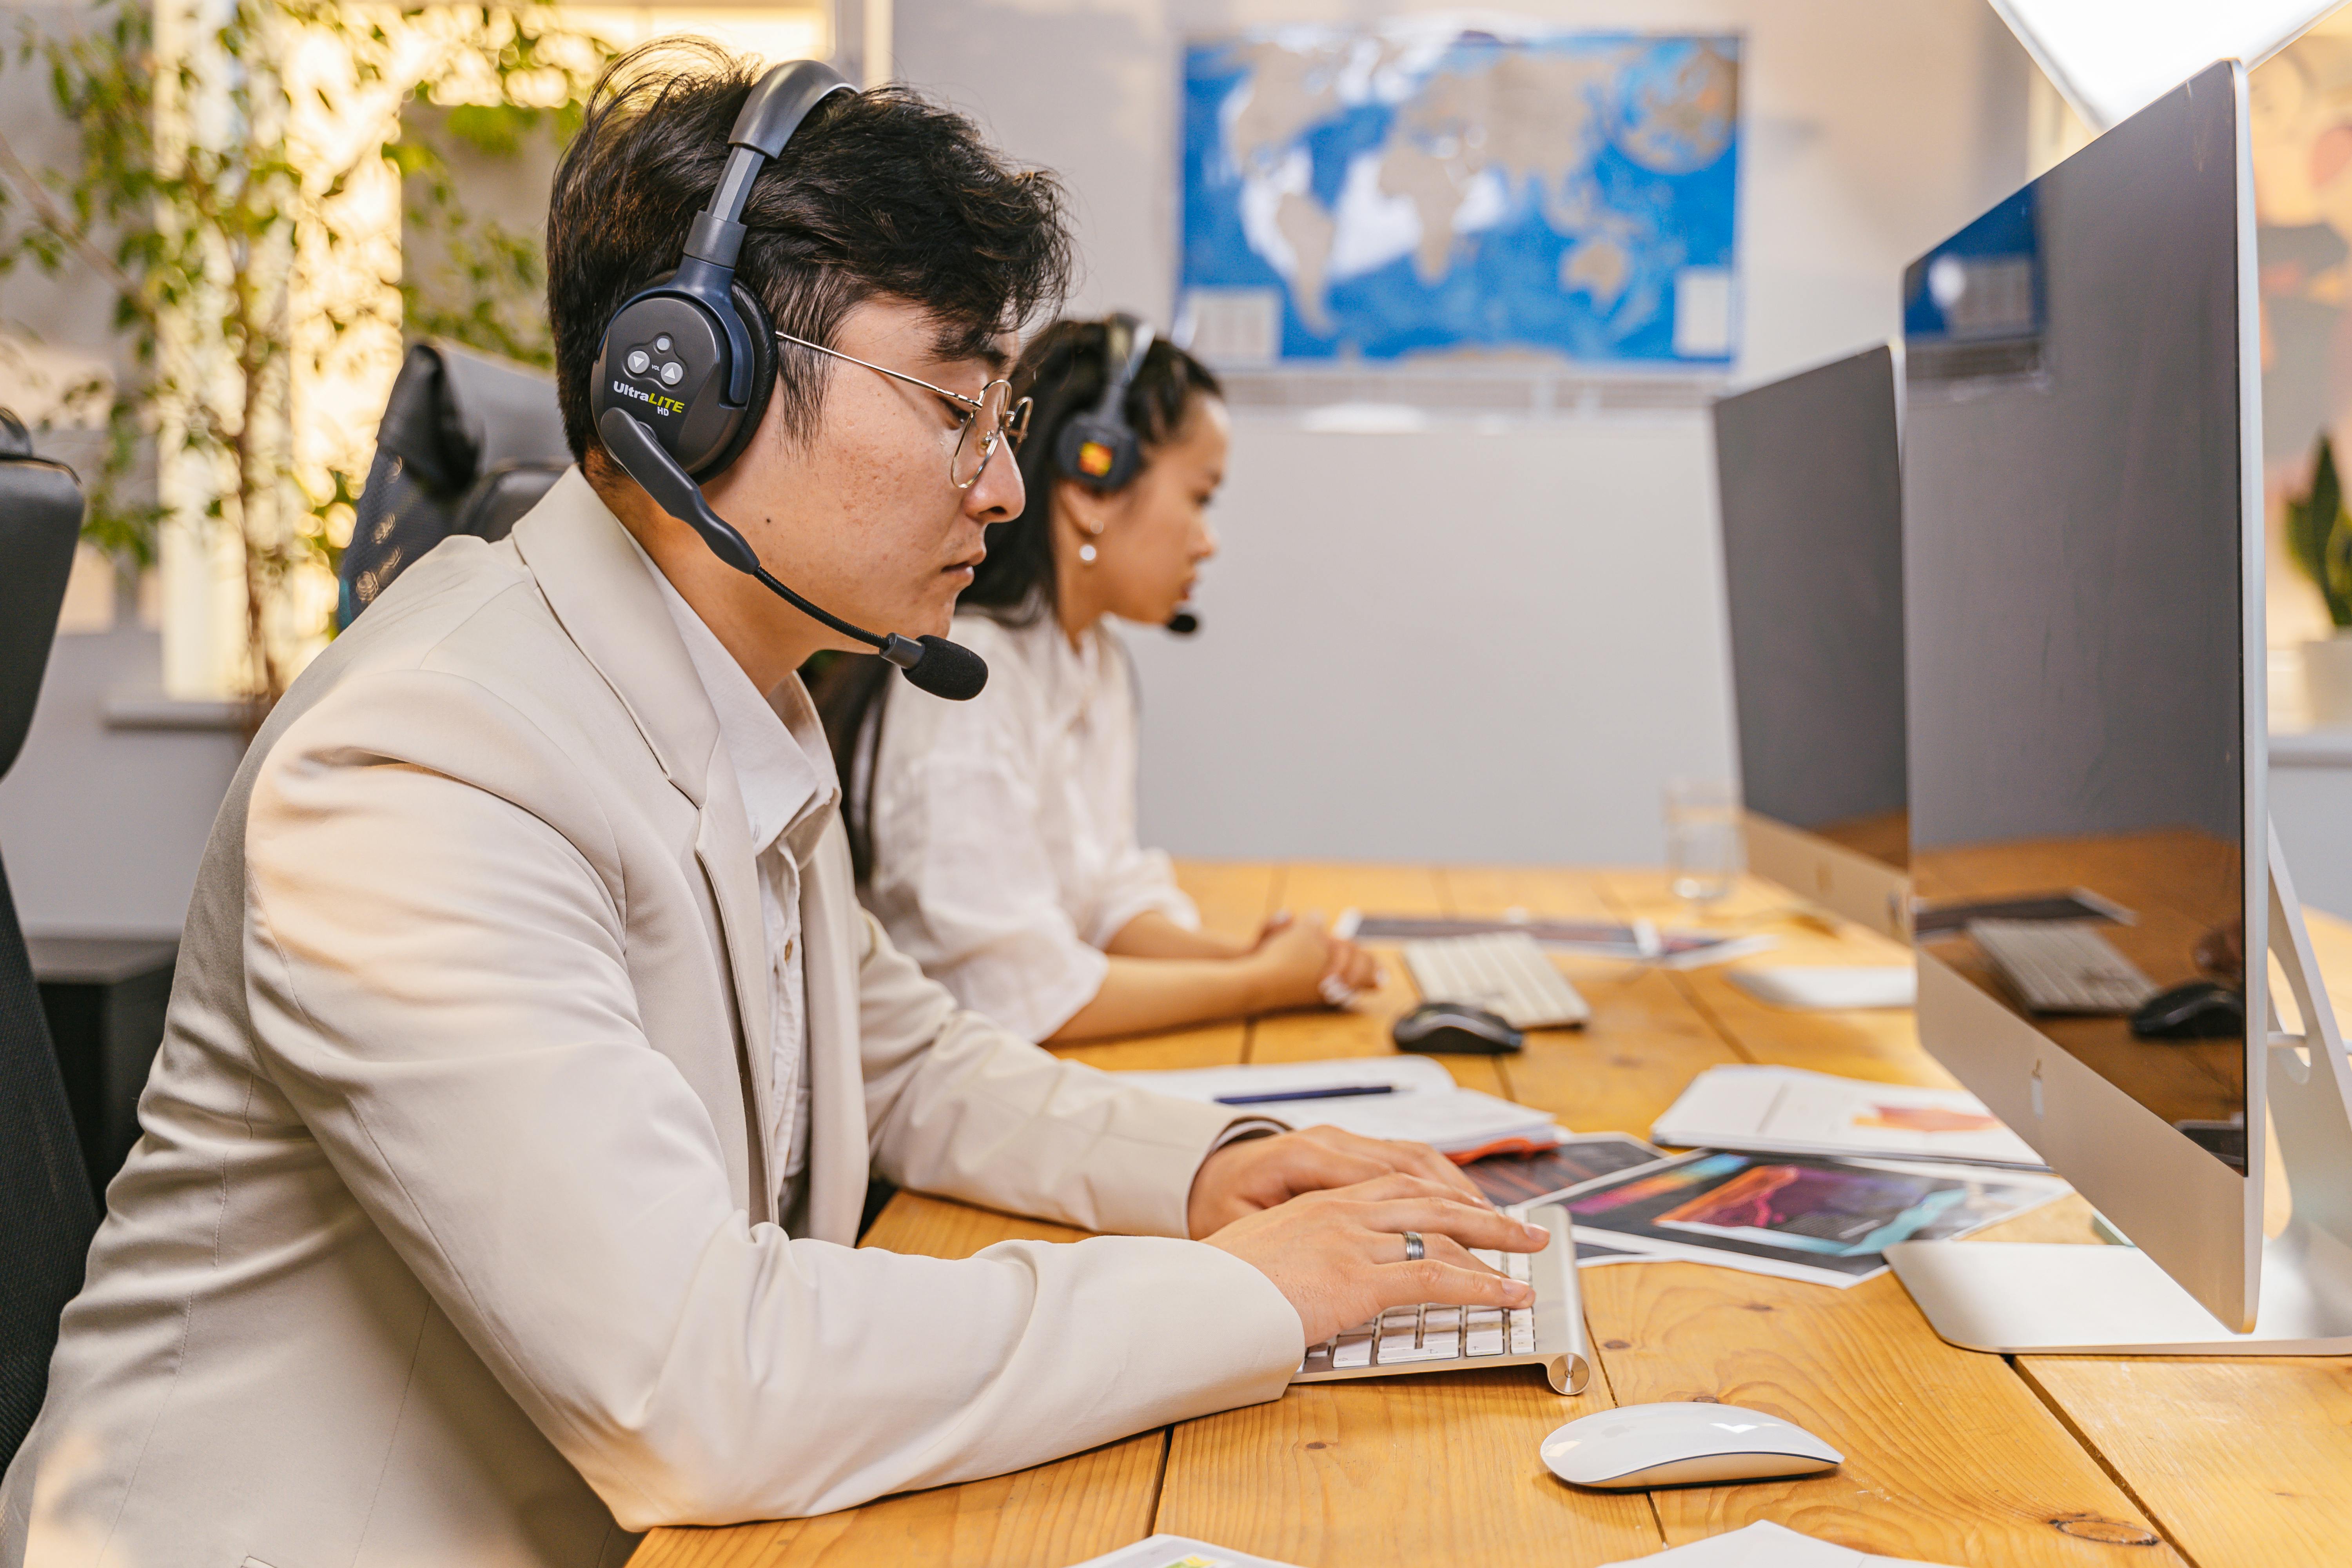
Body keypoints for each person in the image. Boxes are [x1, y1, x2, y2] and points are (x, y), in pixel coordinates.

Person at [0, 47, 1543, 1568]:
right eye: (956, 400)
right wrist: (1255, 1296)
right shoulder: (426, 759)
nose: (1001, 486)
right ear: (693, 382)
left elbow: (908, 1058)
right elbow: (699, 1384)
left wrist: (1212, 1173)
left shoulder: (745, 693)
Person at [822, 318, 1379, 1043]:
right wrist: (1266, 981)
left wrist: (1248, 957)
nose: (1208, 540)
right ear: (1094, 481)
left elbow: (1111, 900)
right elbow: (1018, 996)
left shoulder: (1092, 657)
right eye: (1201, 497)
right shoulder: (968, 682)